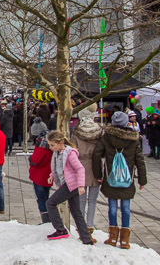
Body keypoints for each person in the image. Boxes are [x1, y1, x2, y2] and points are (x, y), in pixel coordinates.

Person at [93, 111, 147, 249]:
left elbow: (96, 154)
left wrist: (98, 175)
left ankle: (112, 237)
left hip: (110, 177)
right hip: (127, 178)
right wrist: (142, 180)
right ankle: (124, 240)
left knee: (112, 206)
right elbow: (139, 160)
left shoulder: (107, 137)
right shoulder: (133, 139)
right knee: (126, 207)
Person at [45, 131, 93, 245]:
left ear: (60, 143)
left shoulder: (69, 153)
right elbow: (60, 168)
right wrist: (52, 176)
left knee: (50, 203)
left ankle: (60, 230)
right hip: (69, 184)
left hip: (71, 185)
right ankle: (86, 239)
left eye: (52, 145)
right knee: (76, 211)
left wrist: (81, 185)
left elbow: (80, 169)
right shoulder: (57, 153)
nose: (50, 148)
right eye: (49, 145)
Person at [70, 103, 103, 242]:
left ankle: (81, 226)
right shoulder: (99, 131)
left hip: (80, 166)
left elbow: (73, 150)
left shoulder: (76, 132)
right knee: (93, 200)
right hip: (95, 167)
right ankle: (90, 225)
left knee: (81, 199)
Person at [28, 130, 53, 223]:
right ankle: (49, 217)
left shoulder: (41, 149)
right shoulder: (53, 149)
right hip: (48, 176)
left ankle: (45, 219)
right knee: (46, 196)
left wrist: (30, 159)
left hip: (39, 176)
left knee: (41, 198)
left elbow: (35, 160)